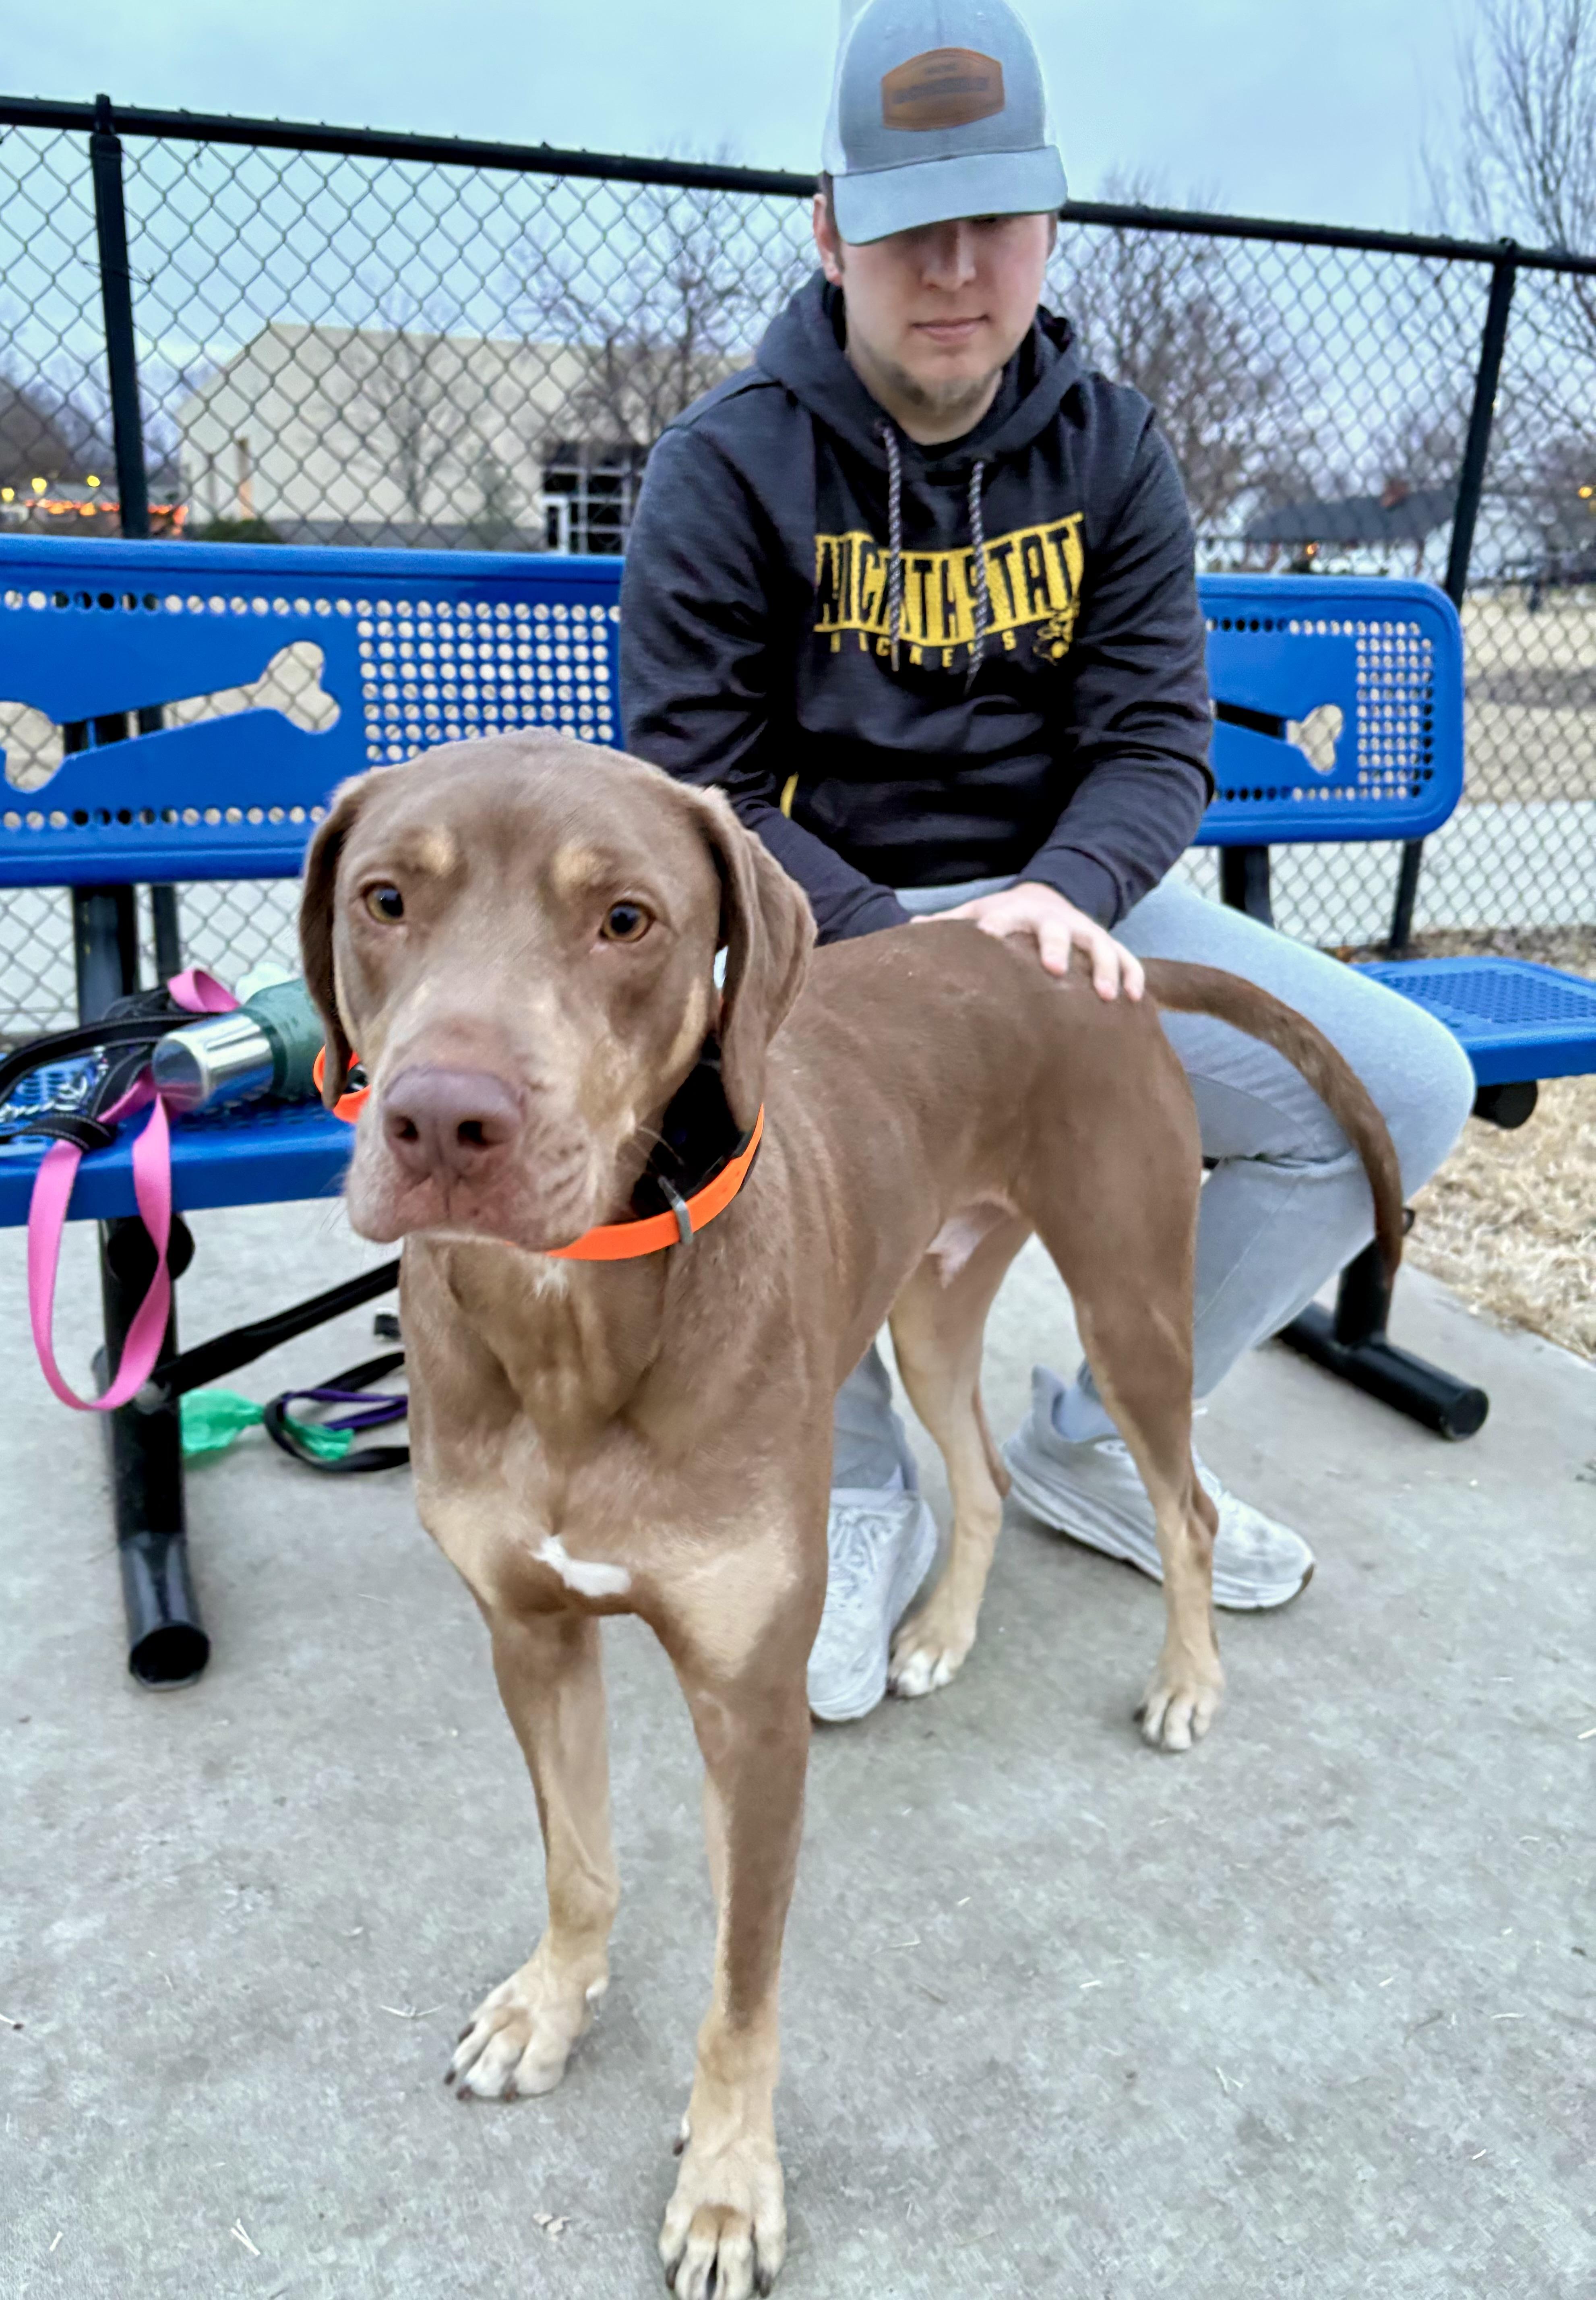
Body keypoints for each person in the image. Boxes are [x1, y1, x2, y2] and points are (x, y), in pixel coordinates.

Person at [618, 0, 1476, 1723]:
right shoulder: (726, 464)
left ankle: (1096, 1438)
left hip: (1063, 901)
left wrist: (1062, 899)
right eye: (908, 219)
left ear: (1050, 222)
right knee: (765, 1145)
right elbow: (692, 789)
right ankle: (853, 1474)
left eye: (993, 216)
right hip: (823, 928)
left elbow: (1158, 740)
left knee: (1403, 1084)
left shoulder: (1115, 446)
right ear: (828, 226)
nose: (955, 265)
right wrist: (904, 951)